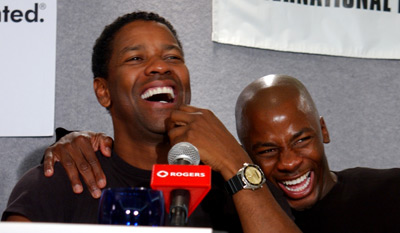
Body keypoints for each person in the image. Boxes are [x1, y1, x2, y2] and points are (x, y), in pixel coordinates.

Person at [2, 12, 301, 233]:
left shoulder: (239, 180)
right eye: (135, 59)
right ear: (104, 91)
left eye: (172, 57)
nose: (160, 67)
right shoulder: (63, 181)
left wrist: (235, 161)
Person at [235, 74, 400, 232]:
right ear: (246, 156)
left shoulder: (390, 193)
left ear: (323, 130)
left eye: (301, 140)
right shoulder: (229, 216)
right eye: (268, 150)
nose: (289, 162)